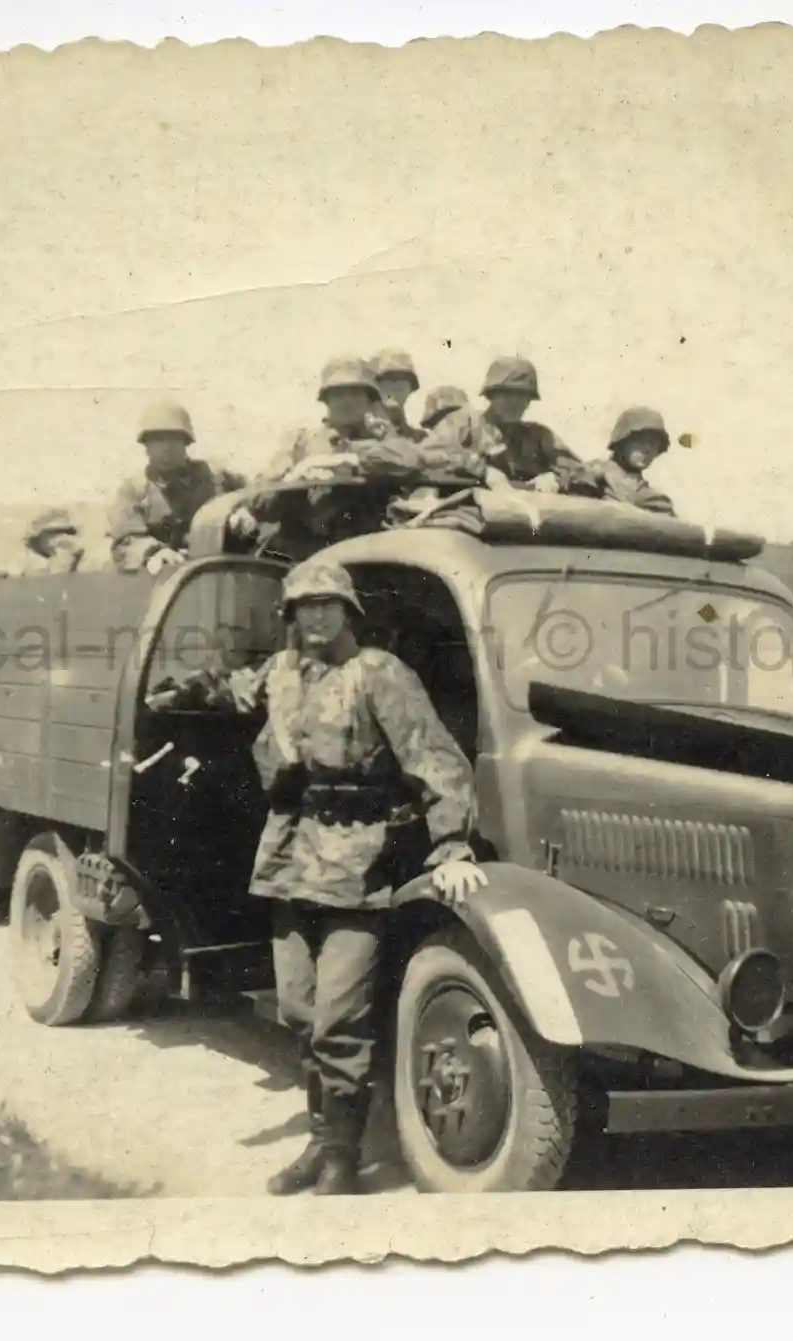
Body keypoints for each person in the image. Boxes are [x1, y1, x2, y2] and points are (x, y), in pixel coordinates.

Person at [146, 561, 486, 1196]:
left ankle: (342, 1158)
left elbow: (434, 756)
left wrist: (452, 845)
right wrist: (185, 693)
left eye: (328, 605)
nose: (316, 616)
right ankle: (319, 1139)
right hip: (291, 858)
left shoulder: (380, 674)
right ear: (291, 617)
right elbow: (236, 692)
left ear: (350, 614)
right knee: (299, 1011)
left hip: (359, 862)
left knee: (337, 1017)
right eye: (304, 606)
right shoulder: (283, 674)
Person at [248, 357, 454, 559]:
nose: (347, 400)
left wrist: (353, 458)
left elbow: (411, 458)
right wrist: (294, 477)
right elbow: (259, 501)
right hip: (306, 553)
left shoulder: (385, 441)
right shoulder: (300, 442)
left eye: (356, 393)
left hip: (368, 555)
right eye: (338, 393)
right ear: (326, 399)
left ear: (369, 401)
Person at [418, 356, 592, 494]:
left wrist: (555, 477)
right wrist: (482, 470)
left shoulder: (539, 436)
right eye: (507, 394)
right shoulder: (462, 422)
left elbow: (583, 472)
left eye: (523, 395)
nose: (515, 402)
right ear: (490, 395)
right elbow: (425, 455)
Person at [109, 400, 231, 574]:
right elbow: (126, 539)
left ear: (186, 442)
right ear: (146, 446)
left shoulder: (213, 478)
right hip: (158, 581)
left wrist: (241, 512)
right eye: (158, 440)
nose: (166, 447)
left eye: (174, 439)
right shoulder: (134, 490)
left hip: (212, 573)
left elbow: (251, 499)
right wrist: (153, 552)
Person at [587, 406, 678, 515]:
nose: (647, 450)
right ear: (622, 440)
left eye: (654, 444)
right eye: (641, 441)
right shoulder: (589, 474)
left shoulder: (655, 501)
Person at [367, 348, 426, 442]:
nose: (397, 385)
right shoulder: (360, 431)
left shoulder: (419, 438)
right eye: (389, 379)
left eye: (405, 379)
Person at [21, 508, 87, 575]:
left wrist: (67, 530)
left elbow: (53, 531)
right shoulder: (44, 542)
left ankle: (75, 561)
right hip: (55, 547)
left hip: (55, 544)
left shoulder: (44, 538)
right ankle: (74, 561)